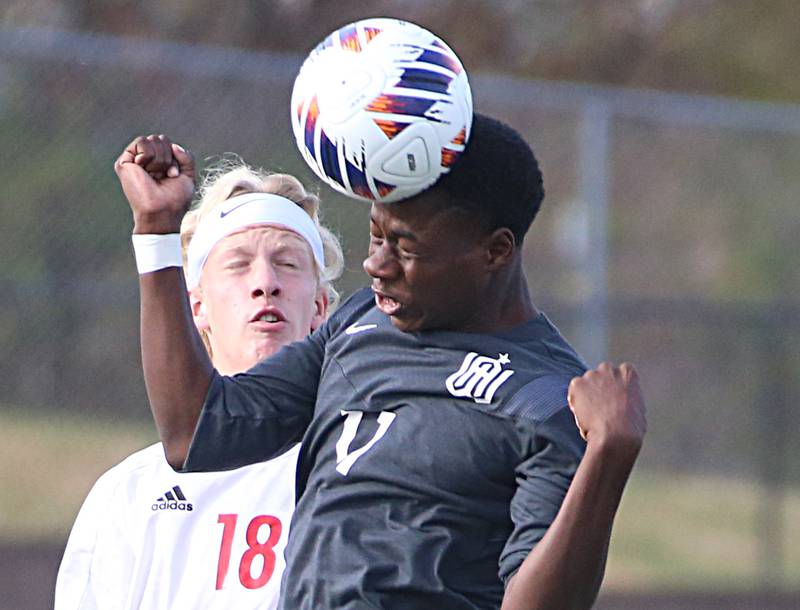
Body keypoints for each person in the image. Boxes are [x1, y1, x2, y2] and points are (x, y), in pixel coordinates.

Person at [118, 114, 646, 610]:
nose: (375, 263)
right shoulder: (362, 322)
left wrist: (608, 456)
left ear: (495, 252)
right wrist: (157, 231)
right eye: (375, 234)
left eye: (405, 247)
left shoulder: (547, 397)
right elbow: (197, 431)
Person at [54, 146, 344, 610]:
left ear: (320, 309)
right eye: (238, 263)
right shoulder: (130, 493)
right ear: (196, 308)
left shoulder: (356, 467)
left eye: (287, 263)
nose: (265, 281)